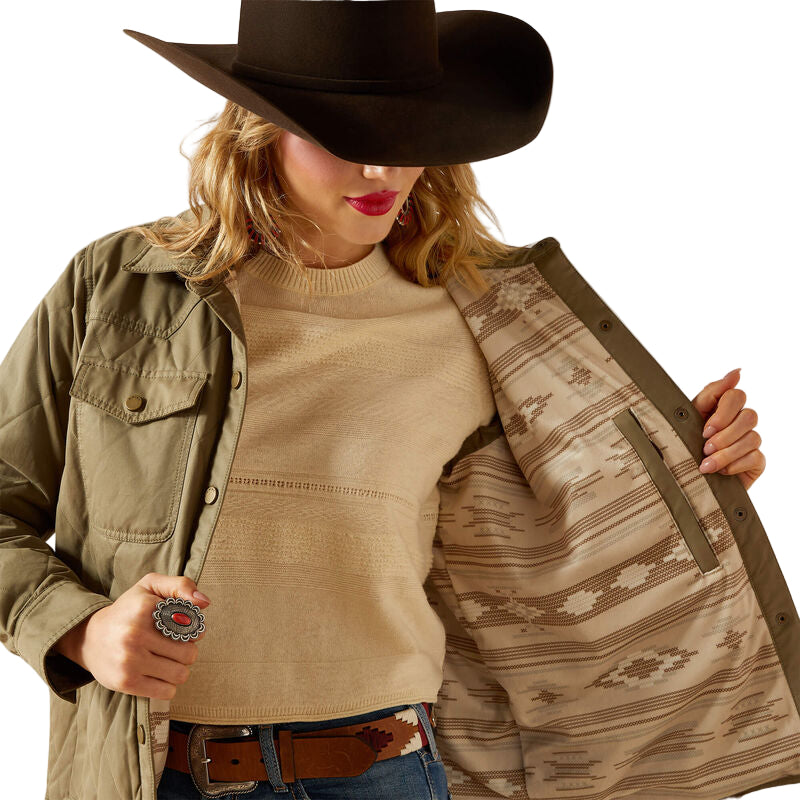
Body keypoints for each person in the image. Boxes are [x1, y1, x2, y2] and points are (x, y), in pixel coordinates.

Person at [0, 3, 771, 800]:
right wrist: (79, 630)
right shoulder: (121, 288)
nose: (384, 171)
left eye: (406, 133)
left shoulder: (484, 317)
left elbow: (565, 533)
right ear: (258, 130)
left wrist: (699, 470)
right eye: (345, 135)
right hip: (145, 773)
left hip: (388, 773)